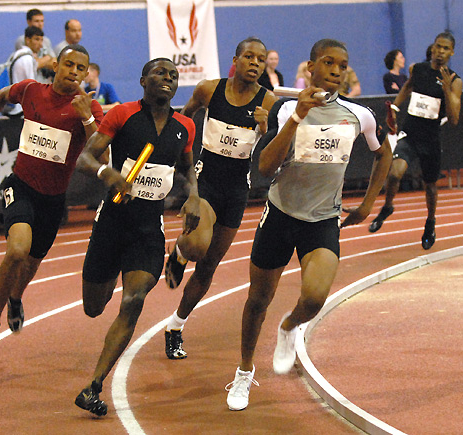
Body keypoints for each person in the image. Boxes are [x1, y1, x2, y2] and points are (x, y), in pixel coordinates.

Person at [225, 38, 393, 411]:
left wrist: (367, 204)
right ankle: (244, 371)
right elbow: (265, 169)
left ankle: (289, 327)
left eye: (343, 64)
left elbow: (384, 155)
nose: (336, 70)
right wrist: (299, 116)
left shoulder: (358, 115)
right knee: (257, 300)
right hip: (281, 215)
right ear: (311, 67)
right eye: (328, 63)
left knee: (315, 298)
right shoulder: (287, 110)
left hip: (322, 220)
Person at [73, 58, 202, 417]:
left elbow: (188, 170)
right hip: (111, 222)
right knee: (93, 307)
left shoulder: (185, 126)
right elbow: (85, 158)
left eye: (173, 76)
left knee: (133, 299)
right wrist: (108, 173)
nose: (168, 79)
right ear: (143, 80)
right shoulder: (123, 115)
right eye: (160, 73)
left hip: (148, 228)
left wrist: (193, 195)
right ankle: (109, 274)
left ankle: (94, 386)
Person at [0, 44, 104, 360]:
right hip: (21, 186)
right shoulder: (30, 90)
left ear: (86, 73)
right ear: (56, 66)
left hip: (54, 200)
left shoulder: (89, 108)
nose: (73, 72)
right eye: (68, 64)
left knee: (31, 262)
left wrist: (86, 120)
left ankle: (16, 298)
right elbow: (2, 98)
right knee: (17, 250)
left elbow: (103, 154)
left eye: (79, 68)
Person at [163, 37, 278, 360]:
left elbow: (269, 150)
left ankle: (175, 326)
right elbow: (183, 123)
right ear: (236, 59)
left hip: (237, 190)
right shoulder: (208, 89)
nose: (255, 63)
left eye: (261, 59)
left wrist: (265, 127)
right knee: (198, 246)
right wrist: (178, 168)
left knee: (210, 264)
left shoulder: (268, 101)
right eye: (249, 57)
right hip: (206, 182)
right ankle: (181, 250)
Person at [368, 32, 461, 250]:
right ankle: (388, 206)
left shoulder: (455, 81)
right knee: (394, 173)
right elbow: (407, 87)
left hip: (431, 139)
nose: (440, 51)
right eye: (438, 46)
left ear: (451, 52)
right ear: (433, 47)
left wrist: (447, 89)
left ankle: (430, 223)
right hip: (410, 133)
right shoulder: (418, 69)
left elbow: (454, 119)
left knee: (430, 186)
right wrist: (394, 109)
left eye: (445, 48)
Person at [7, 26, 44, 116]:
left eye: (41, 40)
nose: (40, 44)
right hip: (21, 110)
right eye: (37, 39)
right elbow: (32, 88)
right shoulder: (27, 58)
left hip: (15, 105)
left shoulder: (16, 55)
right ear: (27, 40)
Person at [15, 8, 56, 83]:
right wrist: (47, 58)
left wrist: (41, 62)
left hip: (45, 82)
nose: (40, 24)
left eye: (42, 21)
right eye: (37, 21)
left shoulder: (46, 41)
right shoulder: (22, 40)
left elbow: (54, 63)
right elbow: (32, 64)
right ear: (28, 22)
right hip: (29, 82)